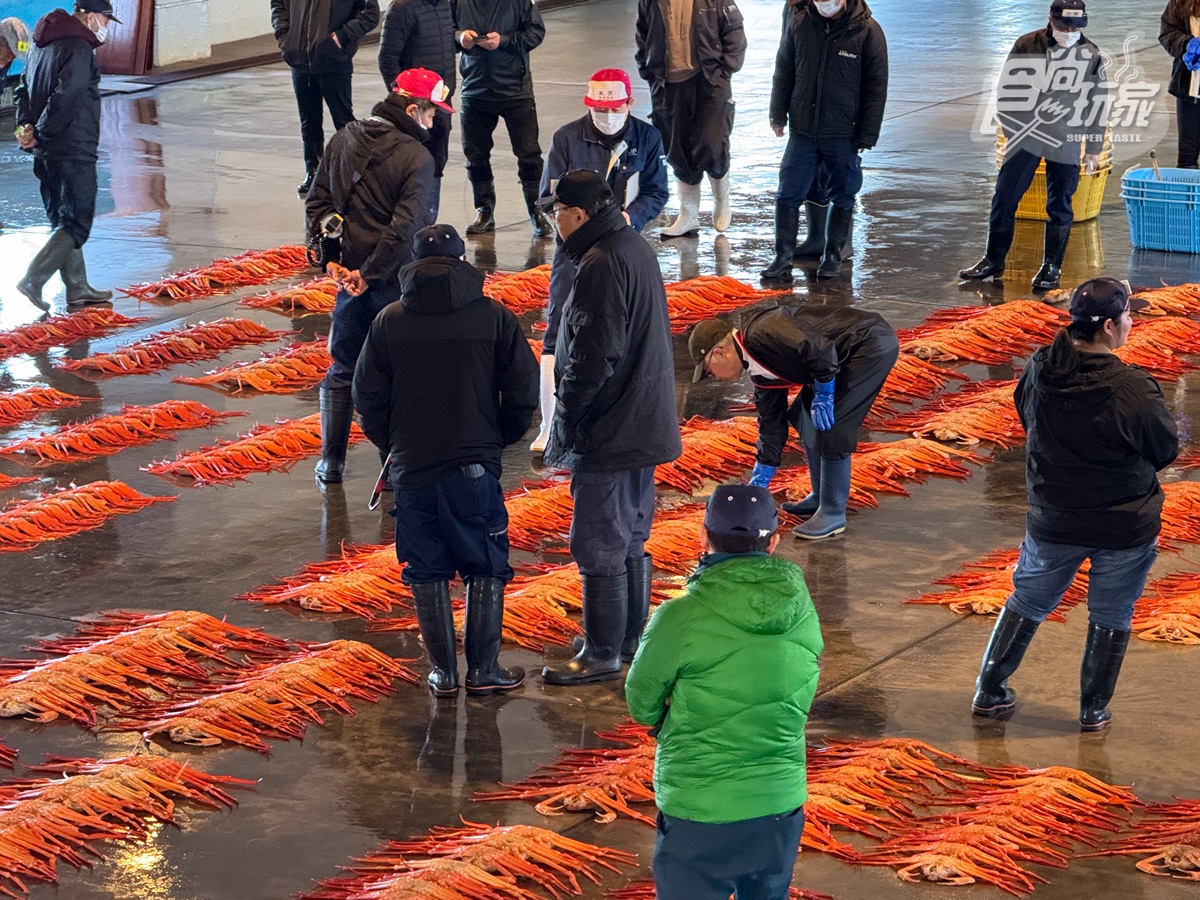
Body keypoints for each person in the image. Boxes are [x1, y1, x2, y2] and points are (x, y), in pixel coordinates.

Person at [972, 278, 1178, 732]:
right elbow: (1165, 450)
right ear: (1108, 326)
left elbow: (1026, 416)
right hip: (1122, 522)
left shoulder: (1041, 367)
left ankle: (988, 692)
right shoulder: (1131, 387)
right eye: (1127, 315)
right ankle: (1093, 711)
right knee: (1111, 613)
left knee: (1028, 598)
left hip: (1053, 516)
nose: (1131, 321)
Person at [353, 224, 539, 697]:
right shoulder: (494, 317)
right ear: (461, 260)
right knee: (485, 566)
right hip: (473, 469)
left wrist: (394, 444)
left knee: (425, 568)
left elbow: (367, 396)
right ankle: (483, 671)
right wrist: (498, 439)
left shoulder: (389, 320)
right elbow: (523, 389)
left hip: (413, 469)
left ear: (413, 263)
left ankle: (443, 673)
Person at [625, 484, 822, 900]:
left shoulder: (679, 616)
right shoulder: (801, 604)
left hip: (701, 808)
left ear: (702, 536)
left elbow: (641, 701)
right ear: (774, 542)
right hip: (779, 806)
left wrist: (666, 720)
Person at [539, 170, 682, 686]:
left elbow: (593, 355)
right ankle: (625, 637)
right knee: (630, 533)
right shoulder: (632, 246)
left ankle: (602, 652)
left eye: (556, 212)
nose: (554, 222)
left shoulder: (599, 263)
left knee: (599, 538)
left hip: (613, 425)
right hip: (643, 420)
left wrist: (568, 417)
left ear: (577, 215)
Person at [305, 68, 442, 485]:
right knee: (400, 373)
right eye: (432, 114)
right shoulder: (417, 157)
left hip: (349, 283)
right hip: (395, 284)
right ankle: (393, 464)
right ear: (413, 109)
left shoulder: (345, 137)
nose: (434, 122)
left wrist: (331, 260)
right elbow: (406, 228)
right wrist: (370, 274)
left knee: (343, 369)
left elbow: (318, 202)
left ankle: (332, 463)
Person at [530, 68, 669, 454]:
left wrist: (631, 218)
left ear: (629, 104)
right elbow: (547, 198)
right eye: (599, 110)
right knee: (560, 326)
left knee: (617, 326)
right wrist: (572, 224)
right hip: (573, 250)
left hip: (622, 245)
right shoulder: (567, 139)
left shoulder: (648, 137)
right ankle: (548, 423)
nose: (607, 117)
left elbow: (657, 191)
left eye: (614, 109)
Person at [689, 307, 898, 541]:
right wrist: (762, 475)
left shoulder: (762, 332)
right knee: (803, 415)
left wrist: (825, 393)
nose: (714, 378)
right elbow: (771, 424)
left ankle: (833, 512)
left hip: (868, 344)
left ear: (719, 352)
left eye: (709, 370)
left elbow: (820, 349)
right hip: (838, 358)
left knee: (832, 424)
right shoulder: (759, 370)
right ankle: (820, 496)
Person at [959, 0, 1106, 292]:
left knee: (1060, 204)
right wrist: (1015, 131)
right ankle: (993, 259)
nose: (1070, 32)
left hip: (1067, 136)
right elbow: (1006, 91)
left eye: (1076, 27)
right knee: (1004, 197)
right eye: (1065, 26)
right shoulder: (1027, 44)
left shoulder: (1090, 54)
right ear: (1052, 20)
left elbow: (1097, 101)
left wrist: (1093, 146)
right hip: (1026, 134)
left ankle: (1051, 267)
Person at [761, 0, 888, 284]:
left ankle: (833, 255)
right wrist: (777, 115)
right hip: (803, 131)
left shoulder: (867, 31)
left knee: (843, 194)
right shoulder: (800, 23)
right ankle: (783, 257)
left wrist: (868, 133)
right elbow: (784, 71)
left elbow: (876, 86)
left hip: (844, 132)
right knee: (788, 192)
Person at [14, 0, 117, 312]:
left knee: (61, 217)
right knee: (76, 221)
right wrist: (43, 131)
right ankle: (34, 278)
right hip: (72, 144)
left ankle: (77, 285)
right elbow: (67, 96)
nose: (107, 26)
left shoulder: (40, 44)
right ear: (88, 16)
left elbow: (23, 91)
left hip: (45, 148)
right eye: (105, 18)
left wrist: (27, 130)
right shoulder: (78, 47)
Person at [634, 0, 746, 238]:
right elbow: (642, 33)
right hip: (668, 84)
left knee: (712, 143)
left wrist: (725, 71)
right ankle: (688, 215)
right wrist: (649, 72)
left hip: (709, 80)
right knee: (677, 149)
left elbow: (734, 29)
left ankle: (722, 200)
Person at [454, 0, 552, 236]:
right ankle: (484, 211)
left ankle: (537, 211)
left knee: (529, 154)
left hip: (515, 90)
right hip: (475, 90)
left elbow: (536, 32)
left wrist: (504, 41)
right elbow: (442, 31)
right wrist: (460, 38)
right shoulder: (458, 2)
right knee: (475, 155)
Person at [270, 0, 380, 196]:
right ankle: (312, 171)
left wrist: (342, 37)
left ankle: (350, 172)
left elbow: (369, 13)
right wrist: (284, 36)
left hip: (334, 59)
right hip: (299, 58)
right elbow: (278, 5)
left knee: (343, 120)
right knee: (308, 120)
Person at [378, 0, 457, 216]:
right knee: (412, 165)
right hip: (414, 109)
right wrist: (404, 101)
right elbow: (387, 58)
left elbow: (447, 44)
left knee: (436, 162)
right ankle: (412, 226)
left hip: (440, 102)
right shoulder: (402, 8)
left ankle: (428, 223)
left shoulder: (444, 5)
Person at [1160, 0, 1200, 168]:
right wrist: (1186, 44)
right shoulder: (1180, 2)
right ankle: (1188, 193)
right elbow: (1167, 33)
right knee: (1187, 154)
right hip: (1190, 87)